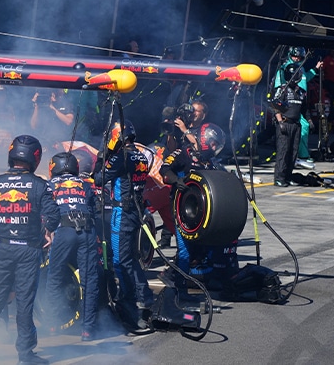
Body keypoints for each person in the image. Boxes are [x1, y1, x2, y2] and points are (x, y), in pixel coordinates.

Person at [0, 135, 59, 365]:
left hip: (3, 249)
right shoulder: (40, 185)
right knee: (24, 302)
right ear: (35, 158)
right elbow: (54, 216)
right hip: (29, 251)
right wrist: (46, 233)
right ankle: (25, 355)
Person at [159, 107, 231, 294]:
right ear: (205, 141)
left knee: (208, 249)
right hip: (183, 211)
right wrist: (177, 180)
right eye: (213, 144)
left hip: (204, 214)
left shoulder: (210, 162)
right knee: (184, 252)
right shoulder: (184, 153)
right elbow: (164, 168)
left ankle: (205, 278)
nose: (215, 148)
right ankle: (180, 289)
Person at [92, 120, 153, 335]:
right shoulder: (141, 155)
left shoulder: (121, 157)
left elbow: (98, 179)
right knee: (132, 258)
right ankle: (145, 297)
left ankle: (127, 303)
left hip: (123, 213)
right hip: (137, 212)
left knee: (119, 260)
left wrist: (104, 155)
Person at [45, 152, 99, 341]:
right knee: (89, 280)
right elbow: (93, 209)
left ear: (53, 168)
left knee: (54, 276)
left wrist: (47, 231)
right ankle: (88, 329)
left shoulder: (49, 185)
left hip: (64, 231)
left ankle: (52, 323)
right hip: (87, 230)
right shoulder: (86, 184)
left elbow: (46, 212)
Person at [273, 47, 322, 171]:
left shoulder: (301, 69)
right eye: (295, 56)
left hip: (299, 103)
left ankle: (299, 155)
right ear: (290, 55)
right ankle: (302, 155)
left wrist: (315, 69)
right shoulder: (285, 68)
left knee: (303, 126)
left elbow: (306, 77)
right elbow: (279, 87)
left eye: (299, 57)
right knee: (301, 128)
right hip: (288, 104)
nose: (297, 59)